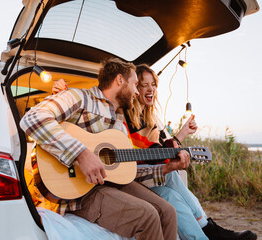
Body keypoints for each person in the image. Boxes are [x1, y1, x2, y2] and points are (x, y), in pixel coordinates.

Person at [52, 64, 257, 240]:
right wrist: (81, 153)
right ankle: (207, 228)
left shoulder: (133, 122)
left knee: (169, 196)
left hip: (130, 175)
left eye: (153, 85)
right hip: (116, 179)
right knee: (165, 193)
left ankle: (205, 231)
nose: (143, 90)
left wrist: (170, 161)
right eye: (139, 85)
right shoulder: (103, 110)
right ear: (122, 82)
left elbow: (143, 158)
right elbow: (48, 121)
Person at [21, 58, 183, 240]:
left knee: (168, 212)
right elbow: (32, 118)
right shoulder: (79, 97)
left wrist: (169, 168)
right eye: (135, 84)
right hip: (79, 189)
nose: (137, 92)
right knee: (148, 216)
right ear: (120, 80)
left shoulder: (120, 126)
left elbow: (127, 172)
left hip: (109, 184)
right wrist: (81, 154)